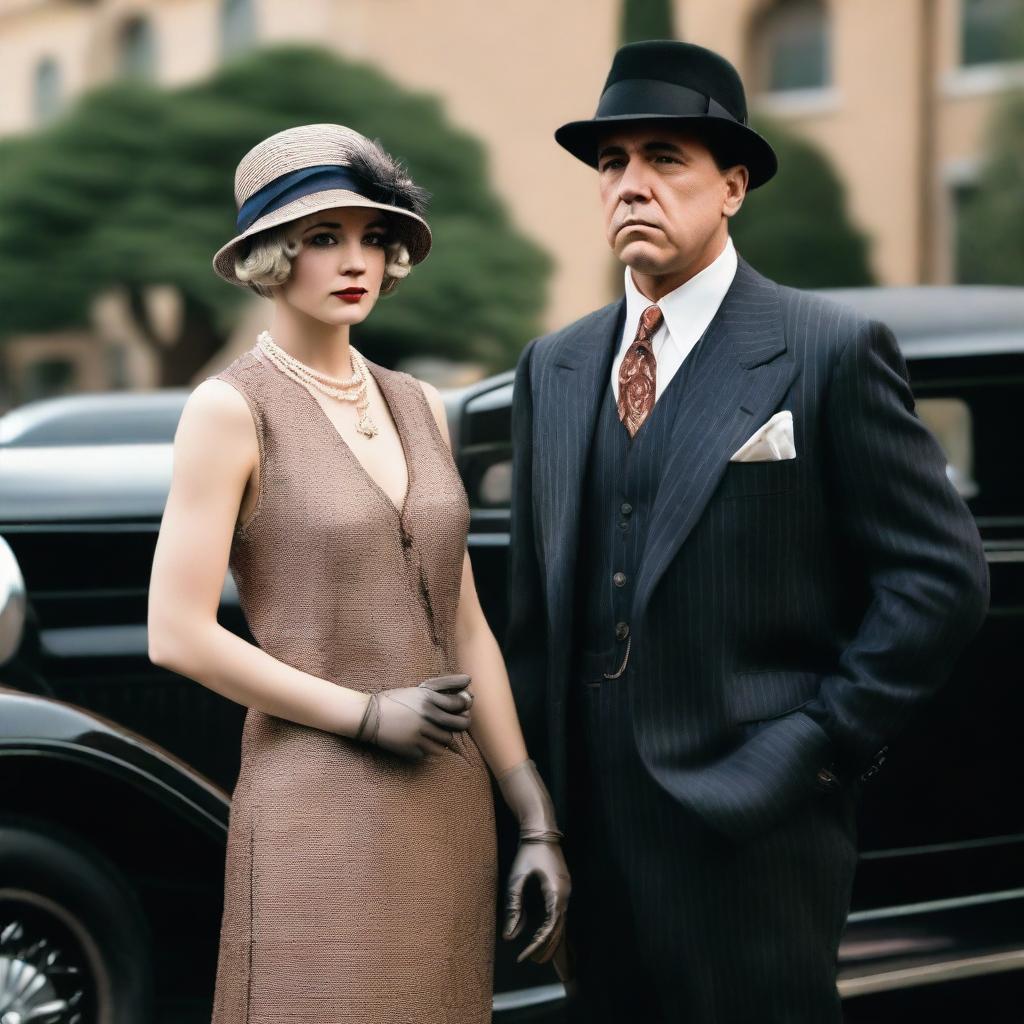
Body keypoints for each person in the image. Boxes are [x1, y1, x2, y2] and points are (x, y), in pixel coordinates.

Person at [504, 41, 989, 1023]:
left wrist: (816, 742)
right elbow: (532, 605)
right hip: (587, 825)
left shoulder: (826, 349)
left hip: (756, 821)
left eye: (662, 158)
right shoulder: (549, 367)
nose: (630, 184)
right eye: (611, 163)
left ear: (731, 185)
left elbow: (939, 580)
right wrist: (533, 813)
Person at [147, 122, 569, 1023]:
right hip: (317, 806)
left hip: (449, 808)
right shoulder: (230, 409)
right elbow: (176, 634)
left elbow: (464, 626)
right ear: (270, 255)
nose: (358, 261)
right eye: (324, 237)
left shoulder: (418, 404)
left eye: (374, 238)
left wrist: (529, 804)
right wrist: (368, 714)